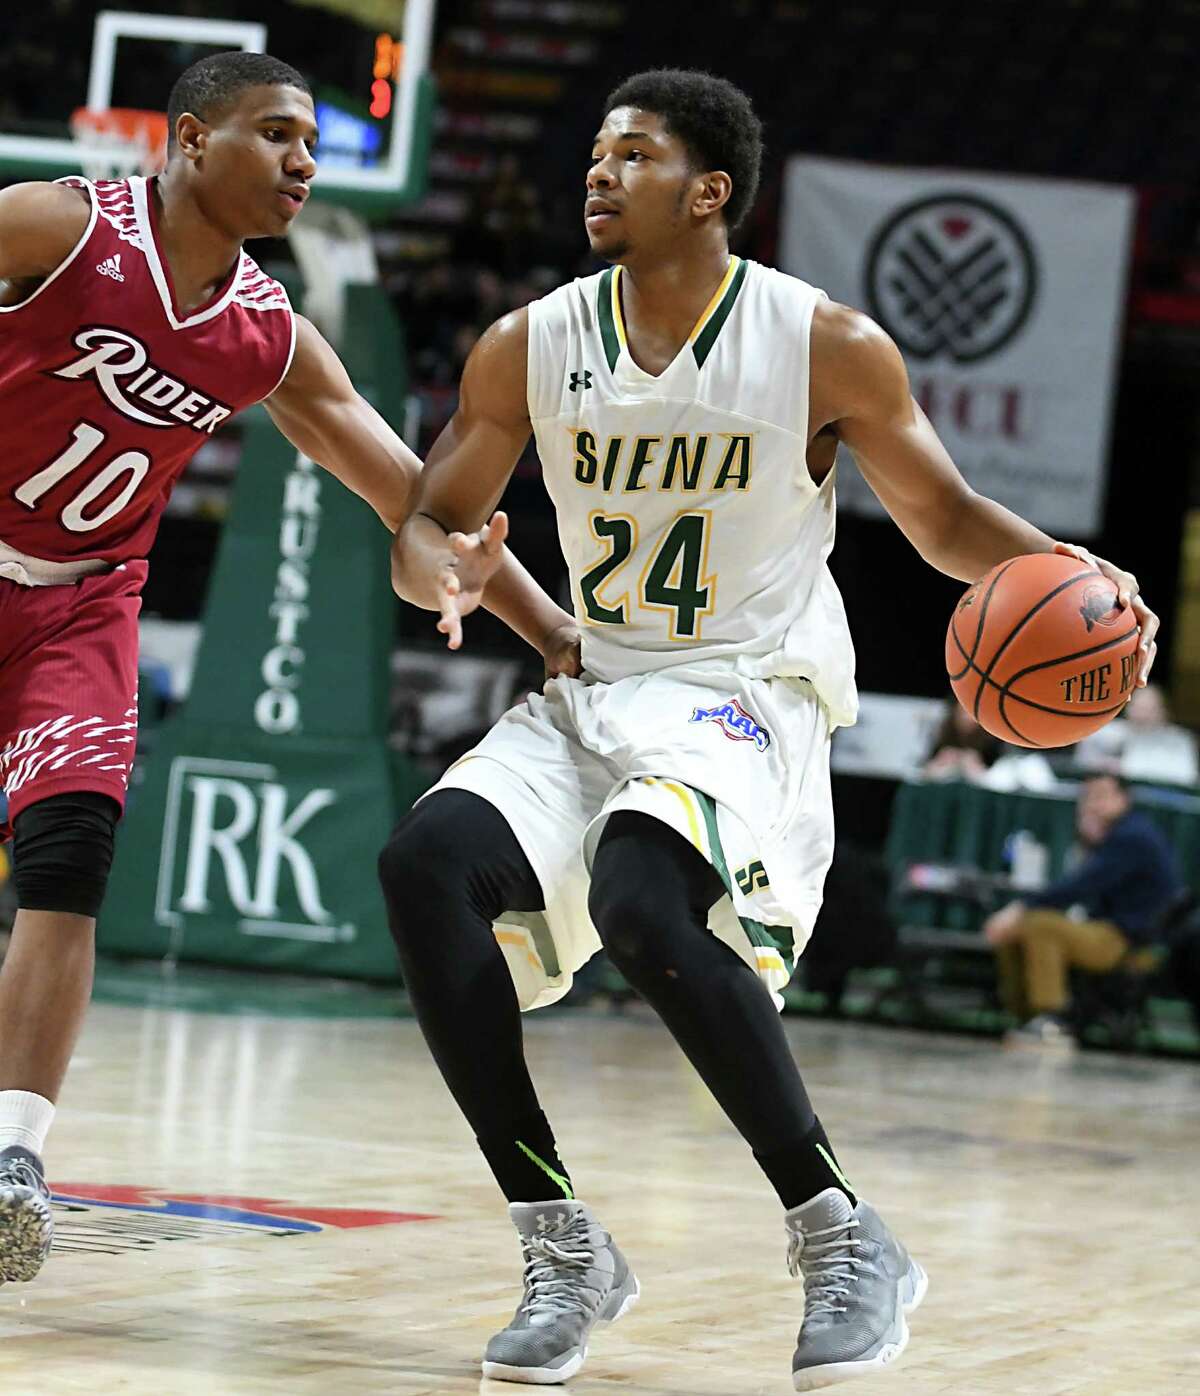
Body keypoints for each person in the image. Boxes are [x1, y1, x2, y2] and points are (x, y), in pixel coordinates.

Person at [379, 68, 1158, 1390]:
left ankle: (838, 1230)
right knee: (423, 868)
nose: (599, 173)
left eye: (632, 155)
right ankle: (559, 1239)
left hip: (748, 686)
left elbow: (946, 518)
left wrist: (1078, 572)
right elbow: (430, 525)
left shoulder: (824, 344)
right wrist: (442, 575)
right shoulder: (529, 343)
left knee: (639, 895)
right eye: (597, 154)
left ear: (710, 190)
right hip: (600, 684)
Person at [0, 51, 576, 1286]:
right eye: (276, 134)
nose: (304, 162)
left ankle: (12, 1161)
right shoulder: (55, 225)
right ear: (192, 140)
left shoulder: (269, 336)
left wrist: (533, 620)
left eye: (311, 142)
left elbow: (414, 502)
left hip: (83, 609)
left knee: (69, 857)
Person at [983, 774, 1182, 1047]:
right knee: (1017, 929)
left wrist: (1020, 907)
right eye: (1088, 797)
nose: (1092, 804)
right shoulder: (1116, 834)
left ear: (1123, 799)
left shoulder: (1133, 836)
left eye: (1101, 796)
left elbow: (1079, 886)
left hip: (1128, 941)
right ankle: (1026, 1016)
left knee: (1040, 924)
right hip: (1108, 930)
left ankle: (1053, 1021)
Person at [1076, 683, 1199, 787]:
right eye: (1137, 707)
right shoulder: (1109, 731)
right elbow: (1081, 762)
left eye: (1149, 709)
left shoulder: (1180, 740)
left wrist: (1124, 767)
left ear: (1163, 712)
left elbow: (1187, 777)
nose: (1142, 715)